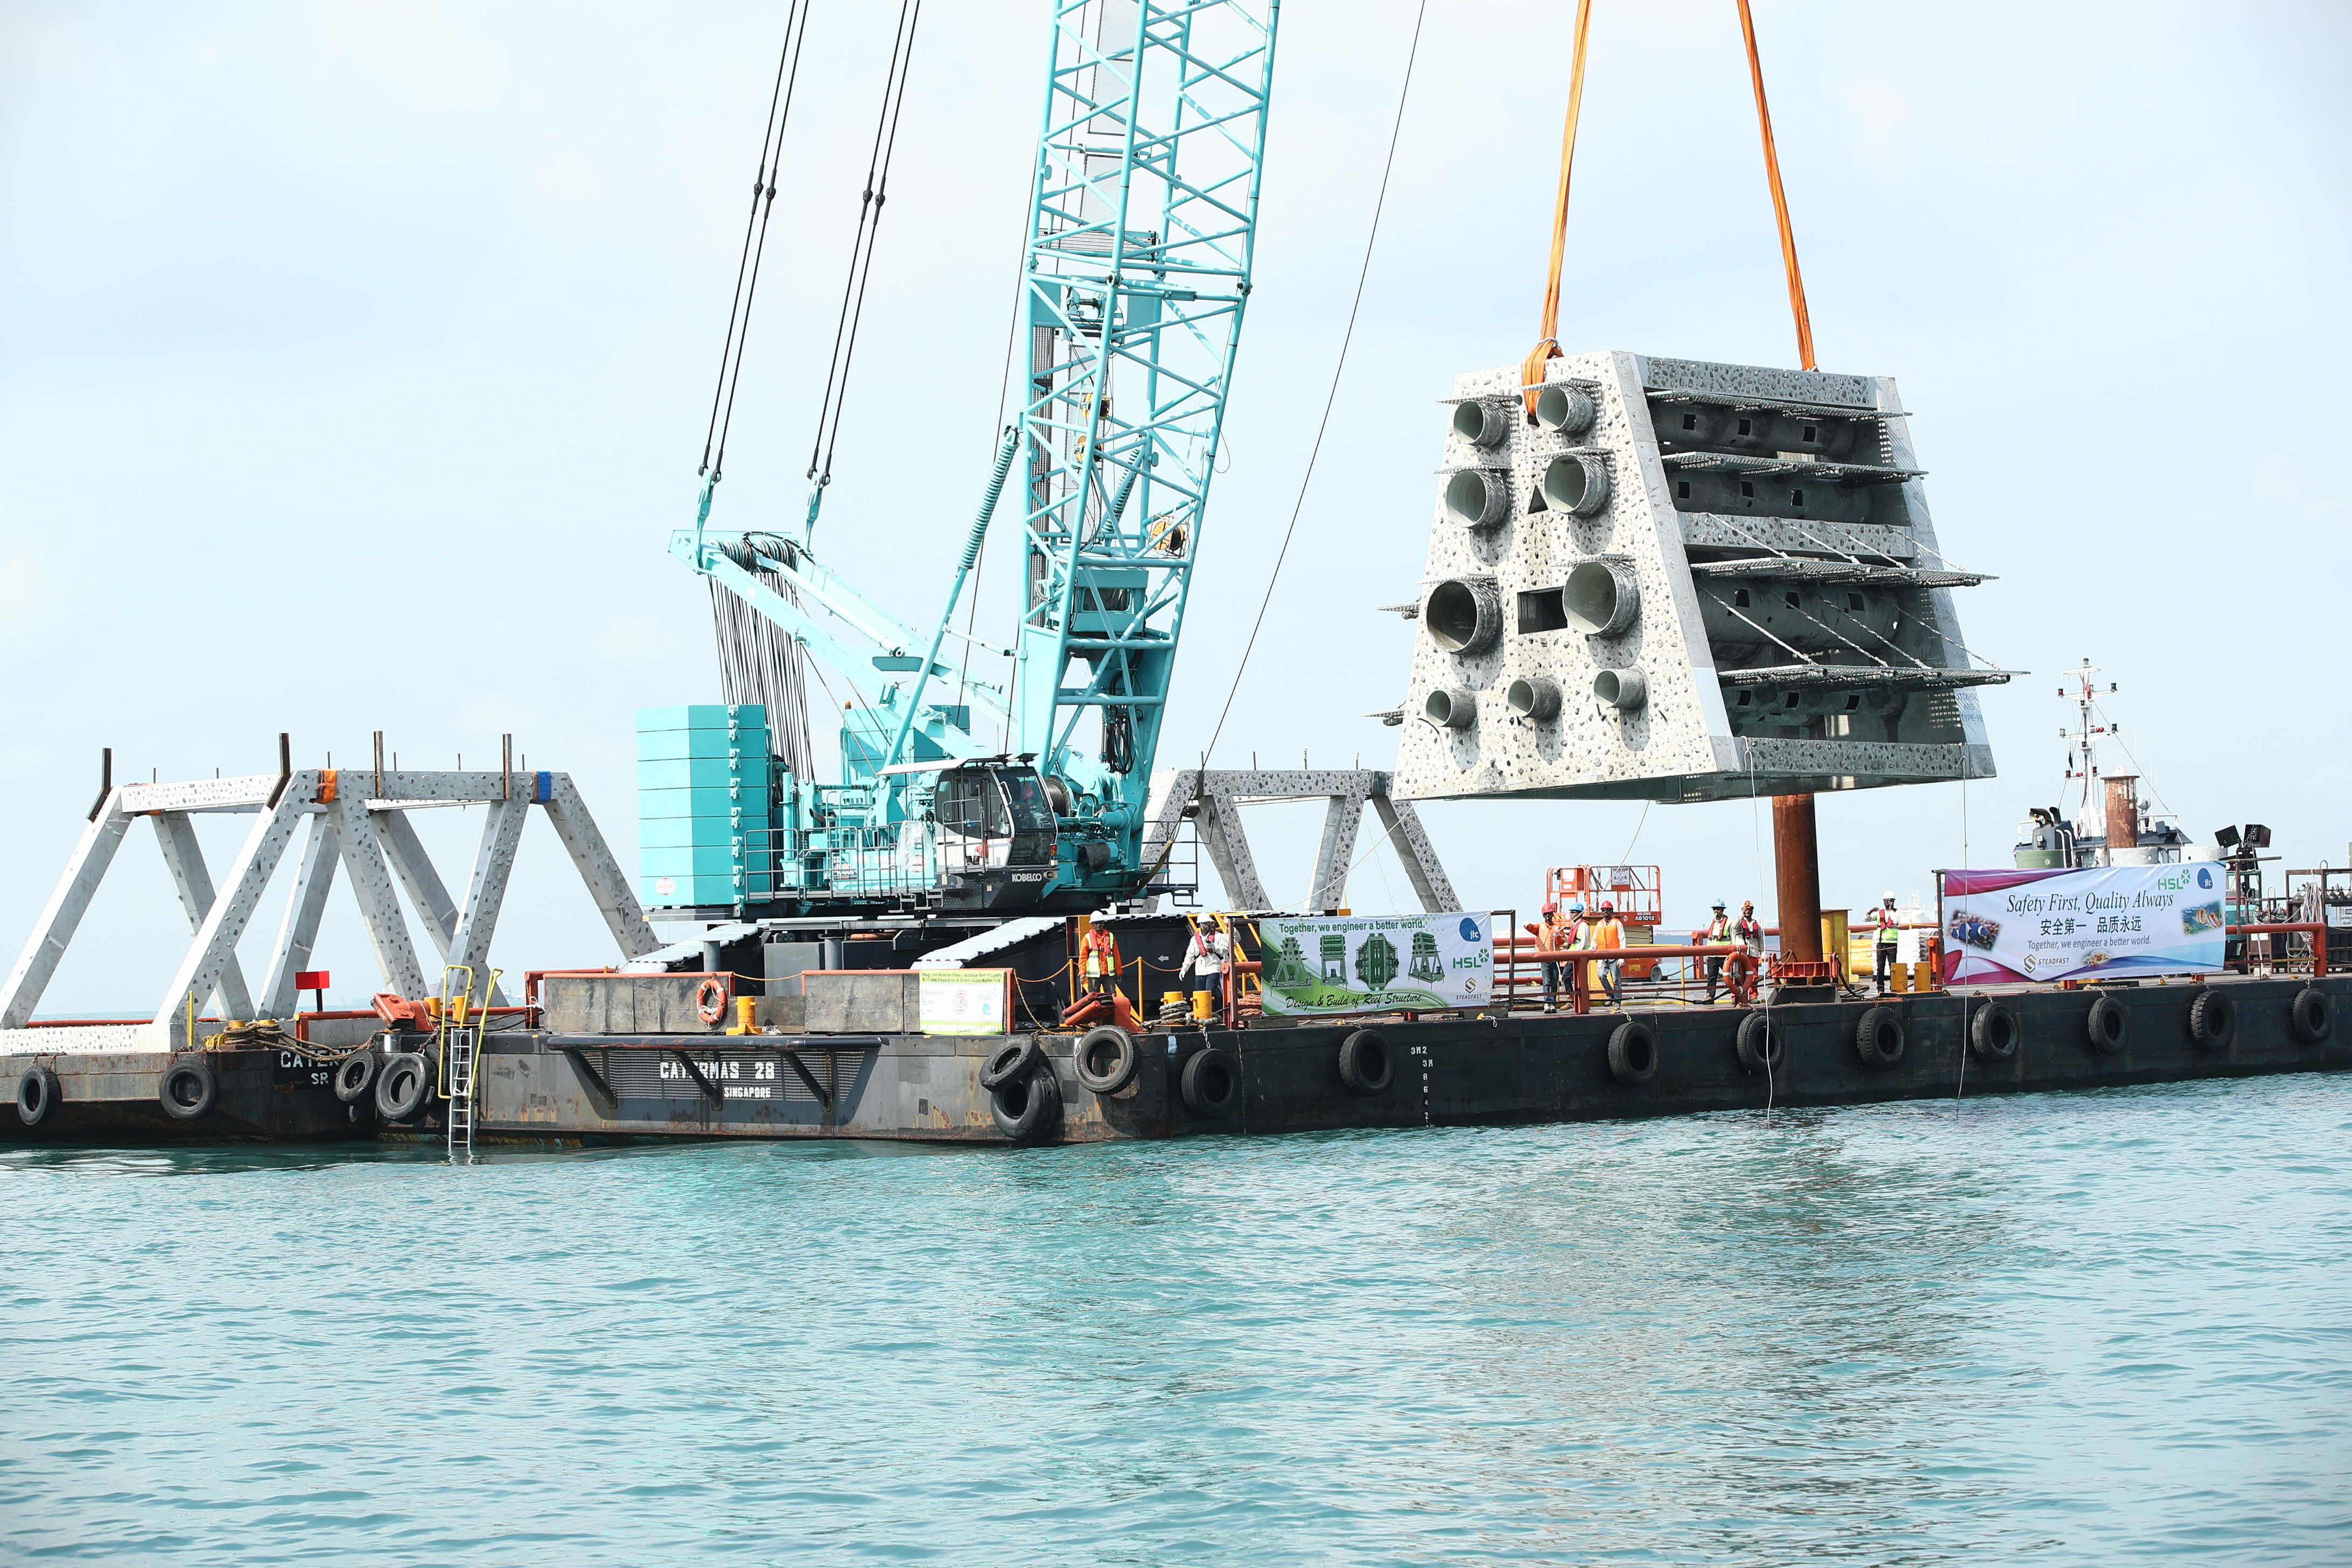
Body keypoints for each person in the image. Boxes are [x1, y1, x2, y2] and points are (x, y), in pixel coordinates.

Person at [1179, 914, 1230, 1019]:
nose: (1208, 926)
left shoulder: (1218, 936)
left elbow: (1226, 949)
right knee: (1200, 993)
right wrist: (1184, 969)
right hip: (1200, 970)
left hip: (1214, 967)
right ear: (1201, 925)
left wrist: (1214, 947)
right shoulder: (1195, 939)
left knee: (1210, 992)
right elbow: (1190, 955)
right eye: (1206, 924)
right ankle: (1203, 1015)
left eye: (1210, 923)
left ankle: (1216, 1015)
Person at [1585, 900, 1626, 1007]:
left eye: (1608, 910)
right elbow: (1595, 940)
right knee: (1601, 975)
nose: (1606, 912)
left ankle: (1617, 1001)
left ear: (1612, 911)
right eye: (1604, 910)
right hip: (1602, 955)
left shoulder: (1617, 923)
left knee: (1616, 979)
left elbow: (1622, 940)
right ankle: (1610, 995)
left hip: (1615, 955)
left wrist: (1622, 957)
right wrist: (1591, 952)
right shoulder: (1599, 924)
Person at [1535, 901, 1574, 1012]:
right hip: (1544, 958)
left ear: (1553, 915)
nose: (1548, 916)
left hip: (1555, 959)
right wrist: (1527, 925)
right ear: (1543, 916)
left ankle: (1553, 1003)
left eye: (1550, 914)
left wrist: (1557, 937)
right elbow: (1532, 929)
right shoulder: (1540, 927)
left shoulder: (1557, 928)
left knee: (1554, 982)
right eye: (1546, 914)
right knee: (1547, 981)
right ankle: (1547, 1003)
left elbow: (1561, 941)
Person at [1080, 918, 1121, 1002]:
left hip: (1108, 974)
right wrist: (1082, 973)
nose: (1098, 925)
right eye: (1096, 923)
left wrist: (1119, 971)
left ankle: (1111, 1014)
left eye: (1100, 923)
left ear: (1103, 923)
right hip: (1094, 976)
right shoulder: (1087, 938)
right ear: (1092, 924)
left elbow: (1116, 955)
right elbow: (1083, 957)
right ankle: (1095, 1015)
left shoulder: (1110, 936)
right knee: (1093, 999)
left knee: (1112, 998)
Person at [1700, 899, 1733, 1003]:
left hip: (1725, 955)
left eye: (1718, 909)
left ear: (1722, 910)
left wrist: (1733, 954)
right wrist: (1707, 954)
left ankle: (1735, 996)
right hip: (1713, 955)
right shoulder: (1712, 922)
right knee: (1711, 977)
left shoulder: (1729, 923)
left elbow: (1733, 938)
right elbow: (1709, 939)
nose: (1716, 911)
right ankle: (1710, 996)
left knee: (1730, 976)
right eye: (1715, 909)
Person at [1869, 892, 1901, 994]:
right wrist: (1871, 911)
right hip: (1881, 944)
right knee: (1880, 968)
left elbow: (1896, 920)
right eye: (1886, 901)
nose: (1888, 902)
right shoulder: (1880, 913)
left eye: (1890, 900)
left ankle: (1894, 987)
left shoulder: (1897, 912)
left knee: (1893, 968)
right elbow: (1865, 919)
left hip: (1892, 945)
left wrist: (1891, 911)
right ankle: (1881, 989)